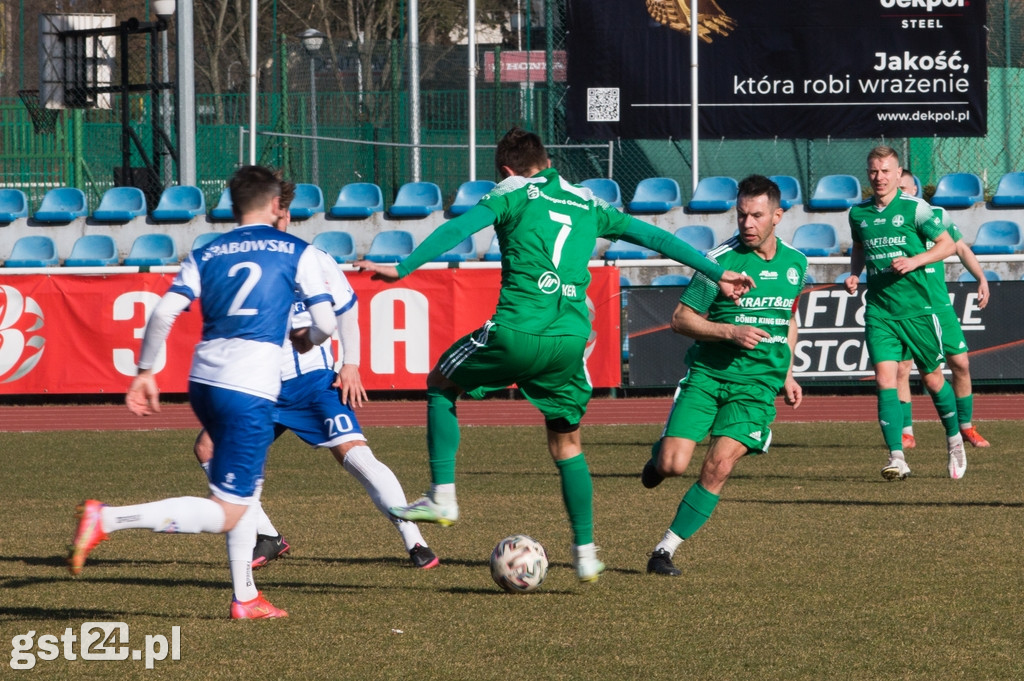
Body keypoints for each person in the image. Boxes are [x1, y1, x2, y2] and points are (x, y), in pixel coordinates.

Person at [356, 126, 753, 582]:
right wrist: (718, 272)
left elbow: (461, 226)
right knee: (567, 445)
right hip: (568, 342)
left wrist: (404, 266)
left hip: (517, 330)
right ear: (546, 161)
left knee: (441, 384)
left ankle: (442, 494)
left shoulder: (513, 193)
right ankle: (585, 551)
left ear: (507, 170)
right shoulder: (588, 202)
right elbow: (657, 238)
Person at [67, 165, 337, 619]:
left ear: (232, 206)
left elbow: (163, 312)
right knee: (228, 511)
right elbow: (326, 323)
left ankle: (246, 598)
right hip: (249, 386)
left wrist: (145, 371)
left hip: (205, 380)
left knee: (245, 492)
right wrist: (309, 339)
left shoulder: (207, 251)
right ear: (276, 206)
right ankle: (108, 518)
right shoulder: (297, 250)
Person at [192, 242, 439, 571]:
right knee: (209, 449)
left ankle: (415, 540)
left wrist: (351, 363)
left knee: (355, 455)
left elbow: (346, 306)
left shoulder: (315, 257)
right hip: (259, 384)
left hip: (312, 380)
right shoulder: (242, 257)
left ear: (284, 213)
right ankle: (267, 536)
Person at [640, 175, 805, 576]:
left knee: (719, 466)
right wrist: (730, 331)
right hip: (708, 376)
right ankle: (659, 463)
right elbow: (681, 319)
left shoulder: (796, 264)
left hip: (756, 386)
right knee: (674, 464)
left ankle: (665, 550)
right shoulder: (715, 262)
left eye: (757, 216)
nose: (748, 224)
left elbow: (788, 319)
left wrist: (787, 371)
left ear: (777, 216)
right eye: (742, 215)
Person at [845, 146, 965, 481]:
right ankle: (897, 456)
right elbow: (858, 247)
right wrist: (854, 273)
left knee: (932, 378)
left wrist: (914, 261)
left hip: (918, 310)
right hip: (880, 311)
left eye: (885, 171)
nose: (879, 177)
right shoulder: (858, 214)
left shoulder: (916, 209)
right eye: (873, 171)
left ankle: (954, 438)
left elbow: (947, 245)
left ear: (899, 175)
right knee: (885, 379)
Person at [894, 171, 990, 450]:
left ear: (916, 189)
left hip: (939, 306)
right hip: (904, 307)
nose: (900, 193)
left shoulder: (935, 215)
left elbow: (960, 248)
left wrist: (981, 278)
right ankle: (906, 432)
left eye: (904, 188)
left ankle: (967, 427)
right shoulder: (889, 220)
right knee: (902, 368)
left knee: (961, 363)